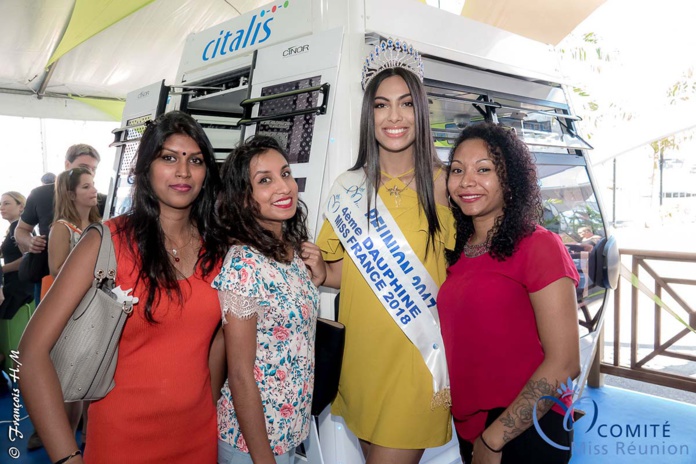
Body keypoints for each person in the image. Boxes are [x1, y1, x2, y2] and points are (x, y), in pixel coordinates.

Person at [18, 111, 228, 464]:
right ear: (145, 168)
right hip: (122, 441)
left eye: (196, 160)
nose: (183, 171)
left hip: (199, 439)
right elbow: (30, 352)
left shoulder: (218, 250)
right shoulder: (107, 242)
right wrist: (67, 457)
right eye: (168, 158)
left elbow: (216, 342)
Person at [316, 38, 454, 463]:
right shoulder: (348, 187)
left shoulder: (447, 185)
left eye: (406, 104)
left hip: (416, 364)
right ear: (368, 115)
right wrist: (319, 271)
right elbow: (342, 273)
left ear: (421, 112)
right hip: (360, 364)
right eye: (381, 105)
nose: (394, 117)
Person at [437, 122, 581, 464]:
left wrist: (495, 438)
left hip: (526, 425)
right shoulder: (459, 249)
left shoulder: (539, 245)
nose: (467, 181)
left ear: (510, 179)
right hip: (470, 427)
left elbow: (565, 362)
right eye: (457, 170)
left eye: (483, 169)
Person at [214, 135, 325, 464]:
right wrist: (263, 458)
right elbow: (239, 373)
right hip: (250, 445)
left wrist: (315, 276)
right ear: (244, 199)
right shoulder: (244, 264)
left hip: (289, 433)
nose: (284, 187)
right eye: (265, 180)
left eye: (286, 174)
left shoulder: (291, 249)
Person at [0, 192, 33, 319]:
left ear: (21, 207)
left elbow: (28, 258)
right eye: (1, 204)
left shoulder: (19, 229)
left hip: (19, 286)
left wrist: (2, 269)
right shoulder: (14, 228)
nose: (1, 207)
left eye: (6, 203)